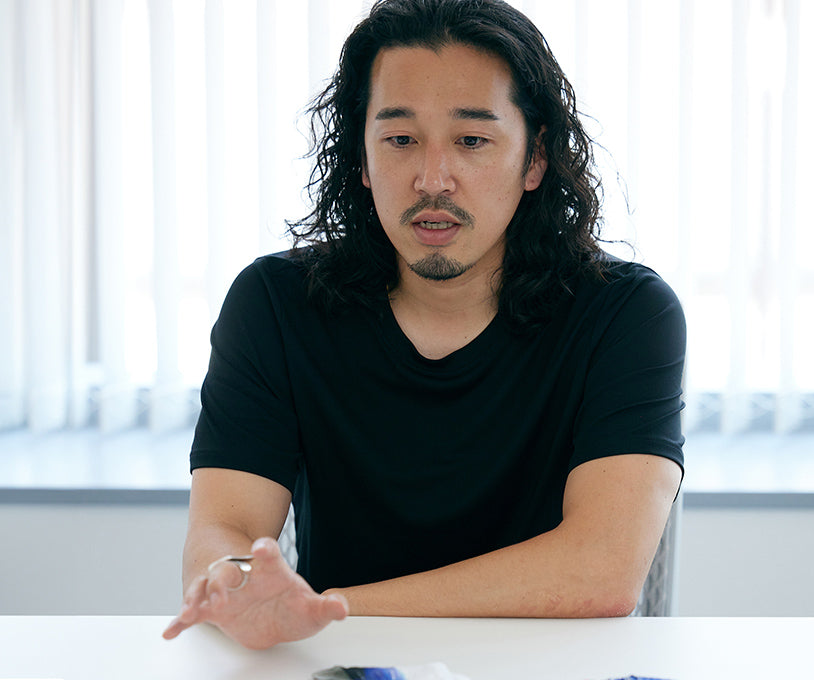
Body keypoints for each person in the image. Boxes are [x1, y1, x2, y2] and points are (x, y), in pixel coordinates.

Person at [163, 0, 685, 650]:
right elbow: (224, 531)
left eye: (471, 141)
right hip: (347, 665)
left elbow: (601, 572)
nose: (432, 180)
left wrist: (326, 610)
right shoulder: (275, 303)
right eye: (401, 140)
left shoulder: (625, 314)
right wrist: (236, 585)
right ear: (361, 157)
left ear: (534, 159)